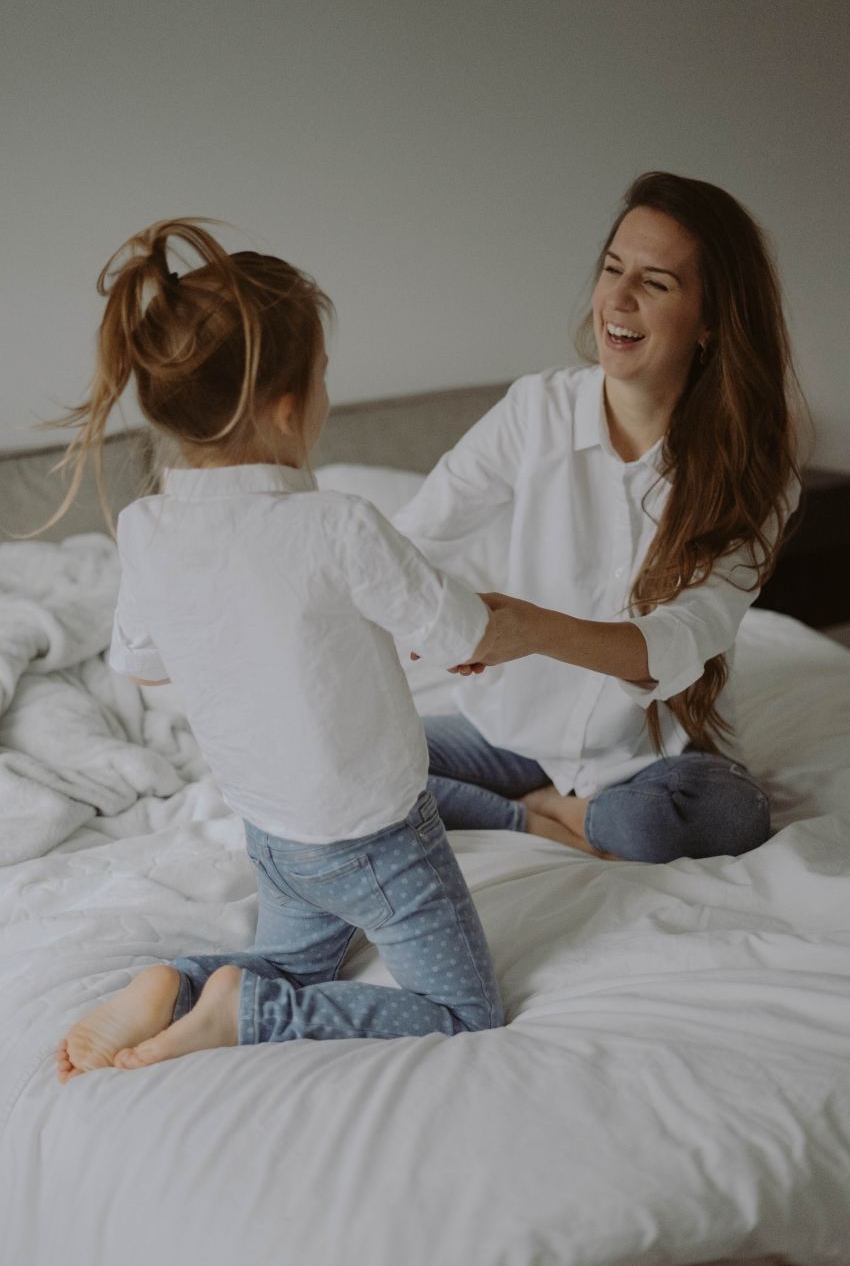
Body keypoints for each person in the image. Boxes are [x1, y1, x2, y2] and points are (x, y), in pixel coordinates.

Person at [54, 218, 513, 1084]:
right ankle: (252, 1011)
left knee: (302, 957)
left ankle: (180, 983)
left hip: (271, 833)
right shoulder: (337, 523)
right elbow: (460, 633)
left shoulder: (149, 527)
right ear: (291, 404)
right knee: (464, 1013)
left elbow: (140, 661)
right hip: (380, 841)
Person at [394, 171, 805, 865]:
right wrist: (406, 608)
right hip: (511, 734)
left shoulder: (754, 473)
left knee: (724, 813)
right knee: (355, 758)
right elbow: (414, 537)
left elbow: (684, 636)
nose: (616, 298)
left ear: (711, 322)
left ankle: (570, 815)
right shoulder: (536, 411)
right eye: (613, 268)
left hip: (649, 758)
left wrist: (525, 629)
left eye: (656, 282)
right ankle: (537, 819)